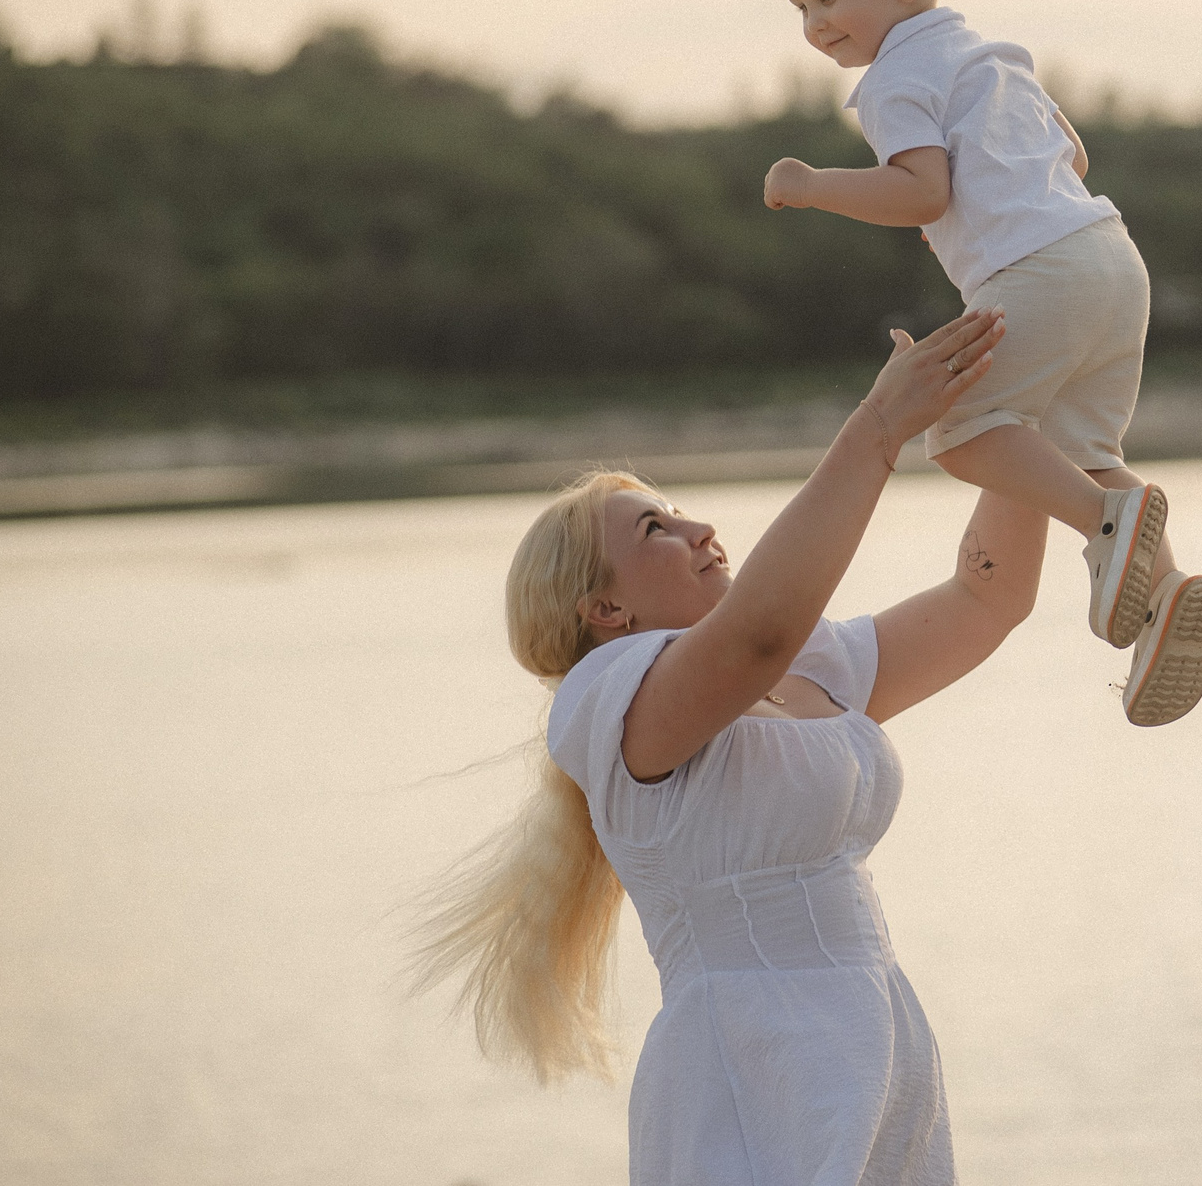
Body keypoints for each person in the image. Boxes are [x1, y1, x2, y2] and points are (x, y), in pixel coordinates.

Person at [413, 307, 1031, 1184]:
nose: (699, 529)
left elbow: (984, 601)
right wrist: (880, 427)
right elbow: (755, 634)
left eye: (676, 510)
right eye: (653, 530)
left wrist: (1034, 414)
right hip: (750, 1072)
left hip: (875, 1055)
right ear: (604, 610)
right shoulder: (611, 696)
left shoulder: (804, 665)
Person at [761, 0, 1202, 726]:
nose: (816, 24)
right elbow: (1074, 157)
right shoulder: (990, 52)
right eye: (801, 8)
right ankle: (1165, 598)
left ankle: (1109, 524)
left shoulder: (893, 80)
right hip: (1111, 257)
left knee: (961, 430)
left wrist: (816, 183)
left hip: (1034, 272)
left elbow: (921, 194)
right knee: (1075, 450)